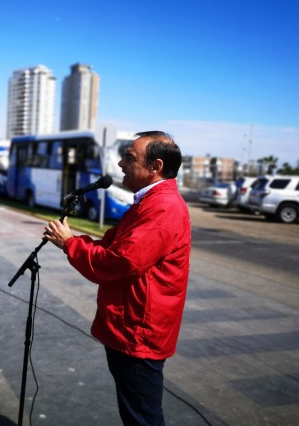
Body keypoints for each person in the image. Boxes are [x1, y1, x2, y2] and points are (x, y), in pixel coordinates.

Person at [43, 131, 191, 425]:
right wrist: (74, 241)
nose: (121, 164)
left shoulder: (163, 207)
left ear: (155, 167)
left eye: (130, 158)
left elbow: (120, 262)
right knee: (137, 413)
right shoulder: (149, 202)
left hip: (139, 331)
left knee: (142, 418)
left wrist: (70, 244)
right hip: (131, 325)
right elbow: (113, 245)